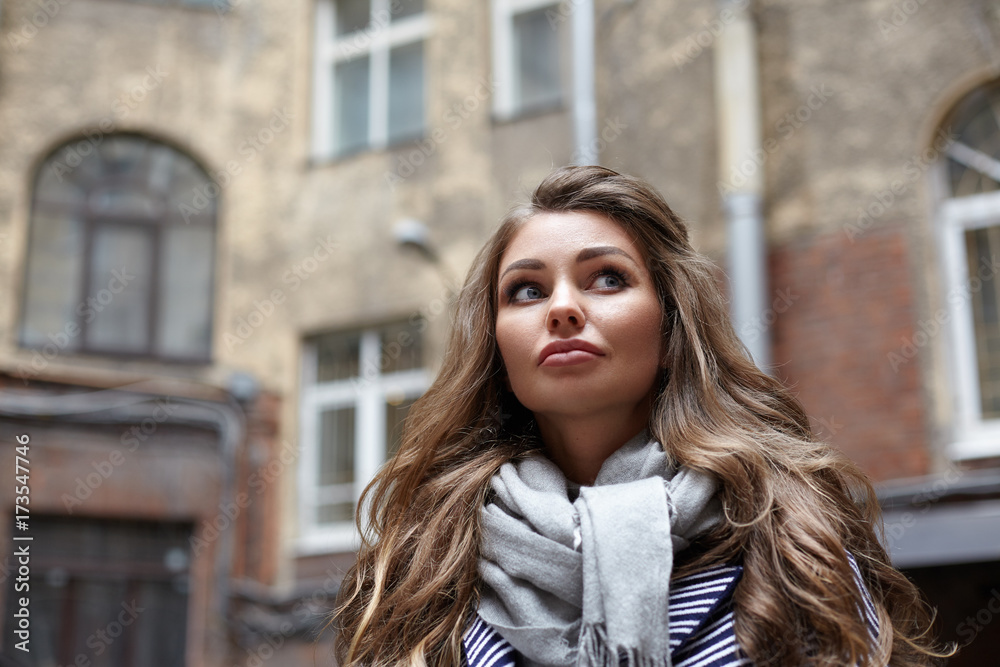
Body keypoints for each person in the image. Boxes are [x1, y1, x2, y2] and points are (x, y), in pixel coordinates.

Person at [331, 166, 949, 666]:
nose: (563, 308)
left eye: (606, 278)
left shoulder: (786, 527)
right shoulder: (429, 559)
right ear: (495, 344)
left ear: (670, 323)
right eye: (527, 289)